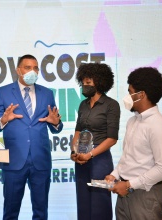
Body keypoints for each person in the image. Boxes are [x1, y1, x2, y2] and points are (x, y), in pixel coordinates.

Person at [0, 54, 63, 220]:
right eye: (28, 68)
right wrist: (3, 120)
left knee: (41, 212)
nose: (33, 71)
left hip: (40, 161)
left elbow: (57, 126)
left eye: (36, 68)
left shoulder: (47, 93)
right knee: (10, 212)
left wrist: (56, 123)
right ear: (18, 70)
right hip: (14, 161)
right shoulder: (3, 92)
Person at [105, 67, 162, 220]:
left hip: (146, 195)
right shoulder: (133, 121)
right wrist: (114, 175)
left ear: (141, 94)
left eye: (130, 92)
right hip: (124, 193)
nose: (128, 96)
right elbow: (129, 158)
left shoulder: (159, 126)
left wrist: (130, 185)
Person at [70, 63, 120, 220]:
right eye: (83, 82)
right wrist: (74, 152)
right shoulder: (82, 105)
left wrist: (90, 155)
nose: (85, 85)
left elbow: (112, 138)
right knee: (83, 205)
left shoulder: (111, 105)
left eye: (89, 82)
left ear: (99, 82)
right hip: (81, 160)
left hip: (100, 160)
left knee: (100, 206)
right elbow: (78, 131)